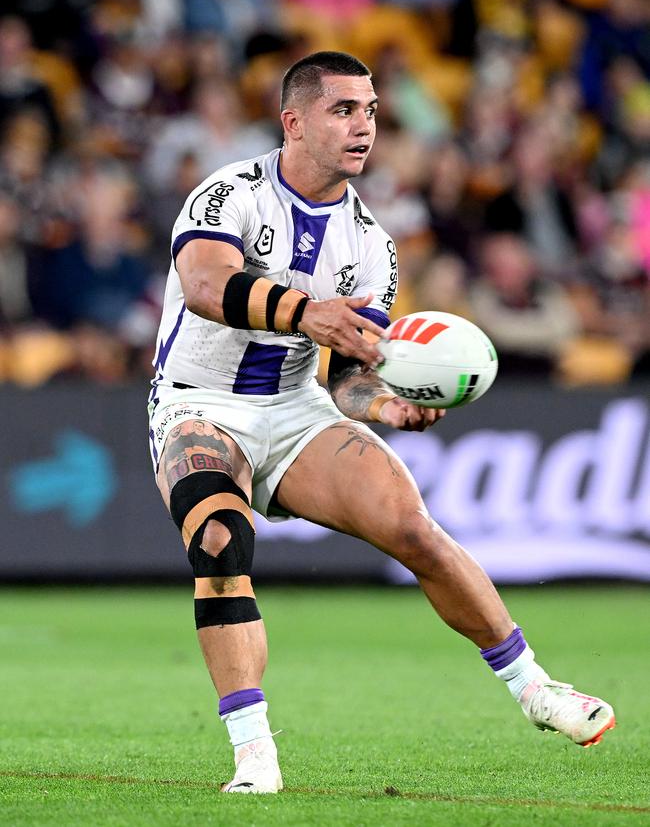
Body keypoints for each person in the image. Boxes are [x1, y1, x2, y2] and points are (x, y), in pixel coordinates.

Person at [147, 51, 615, 794]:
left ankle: (535, 687)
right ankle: (254, 753)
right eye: (342, 110)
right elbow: (205, 284)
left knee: (413, 527)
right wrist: (307, 311)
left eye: (369, 110)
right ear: (293, 121)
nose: (363, 126)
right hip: (198, 400)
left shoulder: (372, 244)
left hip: (298, 410)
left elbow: (349, 381)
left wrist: (385, 404)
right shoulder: (227, 194)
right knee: (217, 536)